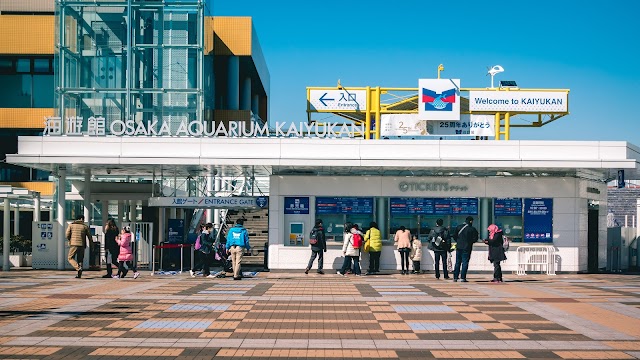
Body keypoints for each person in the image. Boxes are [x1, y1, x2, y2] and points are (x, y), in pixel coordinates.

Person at [452, 216, 479, 282]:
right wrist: (470, 242)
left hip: (459, 247)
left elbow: (454, 236)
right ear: (471, 221)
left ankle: (455, 277)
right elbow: (475, 239)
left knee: (458, 262)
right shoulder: (472, 229)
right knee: (465, 262)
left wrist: (458, 241)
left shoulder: (458, 227)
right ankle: (463, 277)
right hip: (467, 247)